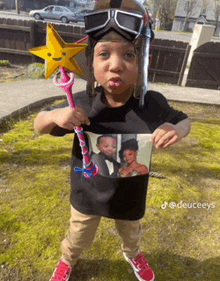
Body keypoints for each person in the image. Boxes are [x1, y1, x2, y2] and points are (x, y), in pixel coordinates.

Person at [34, 0, 191, 280]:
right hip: (87, 196)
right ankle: (68, 259)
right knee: (78, 235)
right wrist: (56, 115)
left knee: (131, 235)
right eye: (104, 54)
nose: (116, 65)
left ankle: (133, 255)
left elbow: (184, 120)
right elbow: (39, 125)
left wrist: (176, 128)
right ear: (90, 60)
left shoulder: (152, 104)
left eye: (129, 56)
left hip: (130, 197)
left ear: (143, 62)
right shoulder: (80, 103)